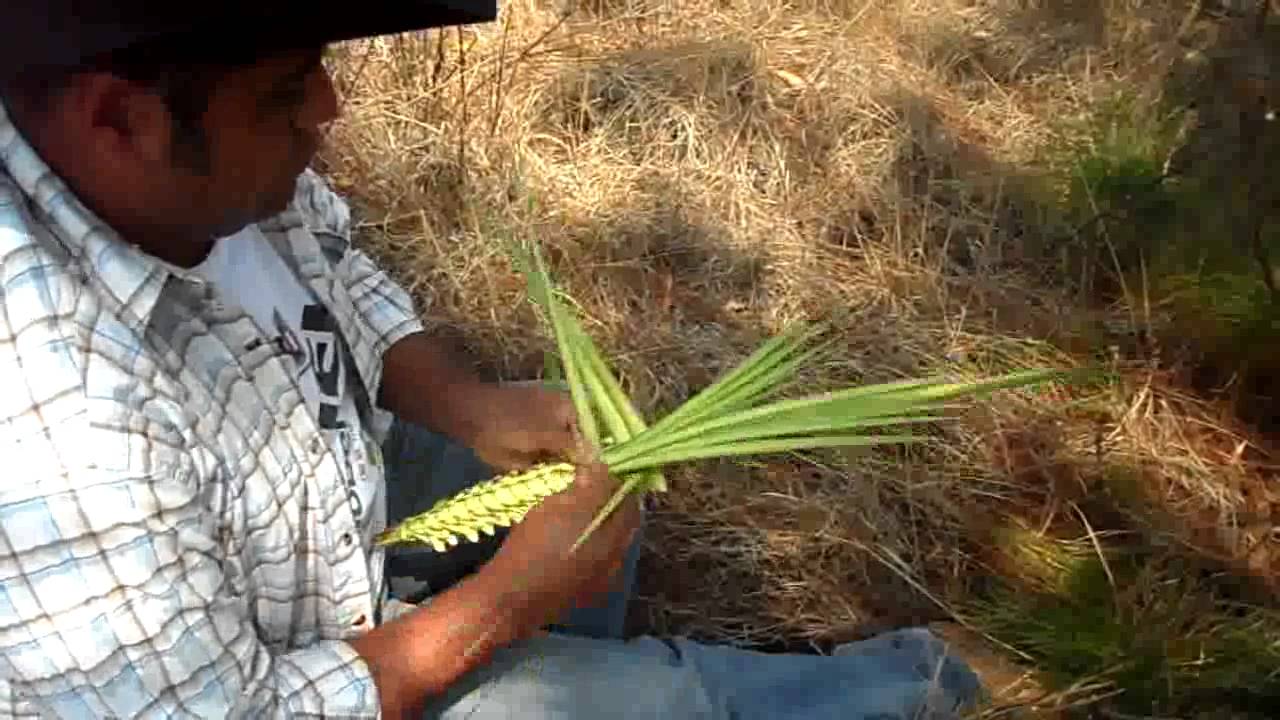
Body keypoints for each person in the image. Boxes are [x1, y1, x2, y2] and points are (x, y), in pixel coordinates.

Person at [0, 3, 984, 718]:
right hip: (276, 681)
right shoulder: (56, 416)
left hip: (312, 517)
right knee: (658, 705)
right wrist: (503, 606)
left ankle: (562, 637)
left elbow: (334, 272)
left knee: (582, 469)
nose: (329, 109)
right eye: (289, 90)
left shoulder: (193, 162)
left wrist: (468, 404)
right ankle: (917, 688)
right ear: (115, 120)